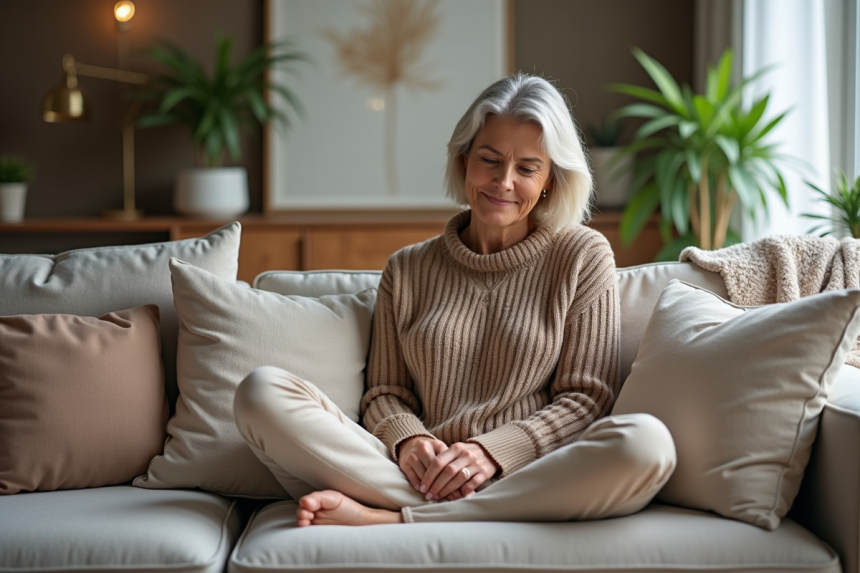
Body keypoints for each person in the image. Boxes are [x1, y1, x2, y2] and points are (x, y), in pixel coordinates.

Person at [233, 73, 676, 527]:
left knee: (646, 444)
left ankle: (394, 520)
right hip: (416, 474)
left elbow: (586, 399)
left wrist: (492, 453)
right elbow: (386, 393)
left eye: (527, 168)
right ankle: (455, 511)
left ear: (549, 182)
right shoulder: (407, 269)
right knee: (260, 392)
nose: (503, 182)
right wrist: (409, 442)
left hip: (529, 470)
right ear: (464, 160)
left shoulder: (582, 255)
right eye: (489, 159)